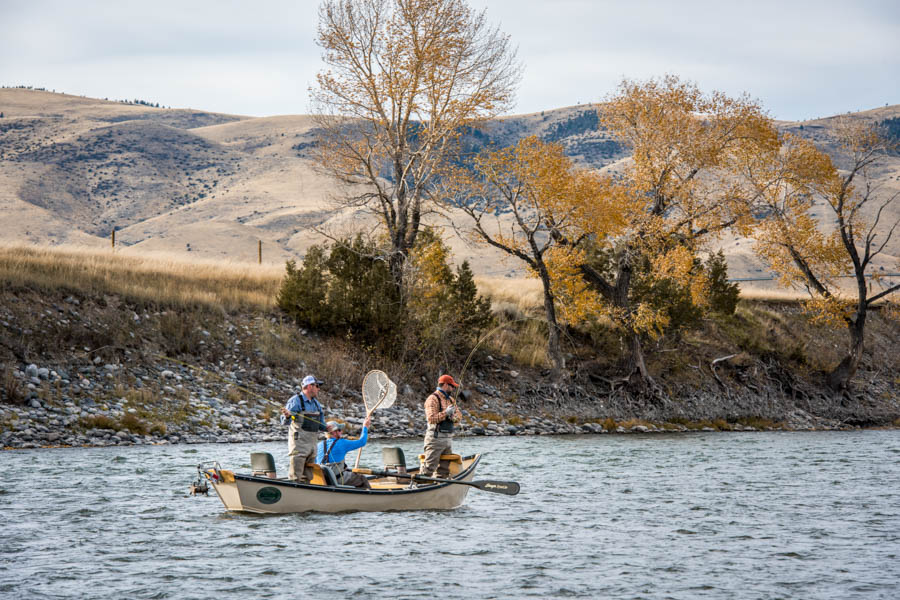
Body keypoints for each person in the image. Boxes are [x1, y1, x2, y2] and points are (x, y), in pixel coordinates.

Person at [280, 374, 326, 483]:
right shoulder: (295, 401)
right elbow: (286, 420)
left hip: (312, 447)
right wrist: (288, 416)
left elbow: (321, 425)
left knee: (308, 478)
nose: (318, 389)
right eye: (317, 386)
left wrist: (329, 428)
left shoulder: (316, 404)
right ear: (310, 386)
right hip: (299, 446)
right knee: (295, 477)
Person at [422, 374, 462, 478]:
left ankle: (438, 487)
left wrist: (453, 417)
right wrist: (446, 413)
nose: (453, 388)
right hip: (435, 438)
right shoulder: (432, 399)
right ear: (444, 385)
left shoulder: (451, 400)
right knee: (429, 468)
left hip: (448, 439)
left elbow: (459, 417)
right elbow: (431, 418)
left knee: (444, 469)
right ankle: (420, 485)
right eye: (451, 386)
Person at [316, 417, 372, 489]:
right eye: (339, 430)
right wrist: (365, 427)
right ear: (333, 432)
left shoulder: (318, 445)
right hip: (337, 480)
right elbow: (362, 442)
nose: (341, 432)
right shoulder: (342, 443)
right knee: (362, 479)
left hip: (322, 480)